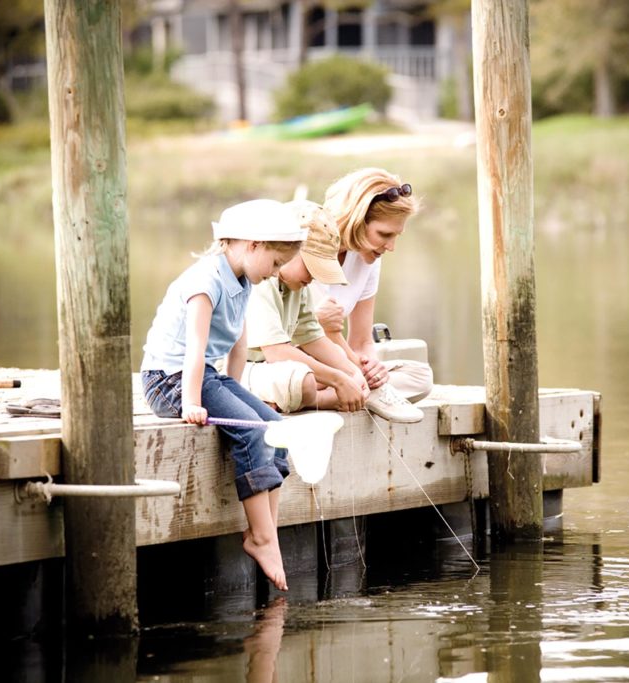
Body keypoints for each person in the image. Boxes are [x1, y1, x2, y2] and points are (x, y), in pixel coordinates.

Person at [139, 199, 308, 592]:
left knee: (276, 427)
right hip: (170, 380)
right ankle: (261, 538)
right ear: (252, 245)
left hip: (205, 377)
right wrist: (191, 403)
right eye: (277, 263)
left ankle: (268, 533)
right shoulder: (205, 282)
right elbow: (194, 350)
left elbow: (237, 343)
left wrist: (238, 393)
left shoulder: (245, 280)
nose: (277, 273)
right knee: (252, 431)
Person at [314, 168, 433, 423]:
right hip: (305, 362)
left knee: (420, 377)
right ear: (356, 220)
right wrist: (351, 368)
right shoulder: (309, 251)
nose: (391, 247)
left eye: (395, 236)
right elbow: (312, 337)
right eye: (384, 235)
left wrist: (372, 368)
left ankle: (349, 391)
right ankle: (326, 395)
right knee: (306, 379)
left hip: (340, 365)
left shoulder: (369, 259)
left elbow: (361, 341)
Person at [240, 199, 370, 414]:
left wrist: (353, 373)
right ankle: (321, 400)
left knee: (331, 358)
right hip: (235, 370)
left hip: (265, 369)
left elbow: (313, 338)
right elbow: (276, 352)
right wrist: (338, 380)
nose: (313, 278)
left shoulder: (298, 286)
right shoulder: (262, 281)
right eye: (310, 268)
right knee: (301, 380)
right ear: (289, 251)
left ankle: (282, 399)